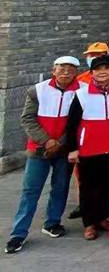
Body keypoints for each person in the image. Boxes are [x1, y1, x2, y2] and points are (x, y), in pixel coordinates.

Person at [5, 56, 81, 254]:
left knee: (60, 187)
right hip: (38, 148)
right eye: (61, 69)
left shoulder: (82, 91)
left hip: (64, 149)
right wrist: (46, 141)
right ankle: (18, 233)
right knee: (30, 191)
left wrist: (60, 143)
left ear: (76, 72)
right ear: (53, 70)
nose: (66, 73)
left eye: (70, 69)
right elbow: (28, 119)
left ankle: (52, 222)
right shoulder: (38, 90)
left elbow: (79, 122)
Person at [65, 55, 109, 240]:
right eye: (98, 69)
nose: (102, 72)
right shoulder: (81, 94)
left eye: (106, 68)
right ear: (91, 73)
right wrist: (73, 148)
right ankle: (89, 223)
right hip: (89, 148)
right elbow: (72, 124)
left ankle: (103, 217)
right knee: (89, 186)